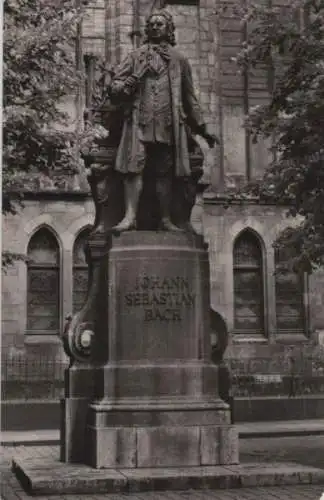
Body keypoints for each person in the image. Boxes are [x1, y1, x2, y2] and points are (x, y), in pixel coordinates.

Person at [108, 9, 216, 233]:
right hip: (139, 122)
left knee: (164, 172)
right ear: (147, 29)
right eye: (152, 24)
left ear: (169, 29)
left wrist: (204, 129)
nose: (156, 27)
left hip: (167, 124)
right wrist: (134, 78)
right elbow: (114, 89)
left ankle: (166, 219)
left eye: (160, 24)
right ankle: (130, 217)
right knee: (133, 168)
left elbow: (189, 98)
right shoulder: (135, 56)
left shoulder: (180, 60)